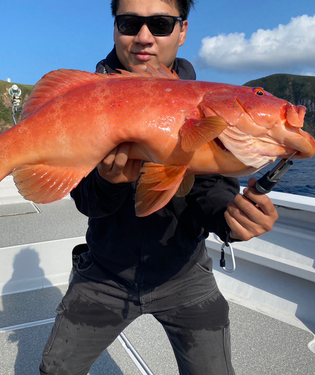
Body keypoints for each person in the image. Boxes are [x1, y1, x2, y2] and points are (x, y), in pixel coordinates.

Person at [40, 1, 279, 374]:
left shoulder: (206, 104)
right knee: (56, 369)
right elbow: (85, 200)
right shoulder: (88, 96)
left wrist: (230, 217)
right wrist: (109, 182)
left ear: (182, 30)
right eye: (130, 23)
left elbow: (210, 190)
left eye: (161, 24)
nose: (144, 37)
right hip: (104, 274)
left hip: (184, 276)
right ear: (115, 27)